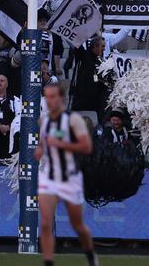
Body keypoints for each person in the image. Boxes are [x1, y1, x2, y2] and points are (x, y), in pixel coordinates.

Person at [34, 83, 98, 266]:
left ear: (62, 98)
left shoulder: (73, 120)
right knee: (45, 222)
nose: (50, 100)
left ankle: (90, 253)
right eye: (47, 97)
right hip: (49, 176)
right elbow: (43, 143)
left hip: (70, 176)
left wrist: (62, 144)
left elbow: (86, 147)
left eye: (53, 96)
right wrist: (40, 150)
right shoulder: (43, 121)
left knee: (77, 225)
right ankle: (48, 262)